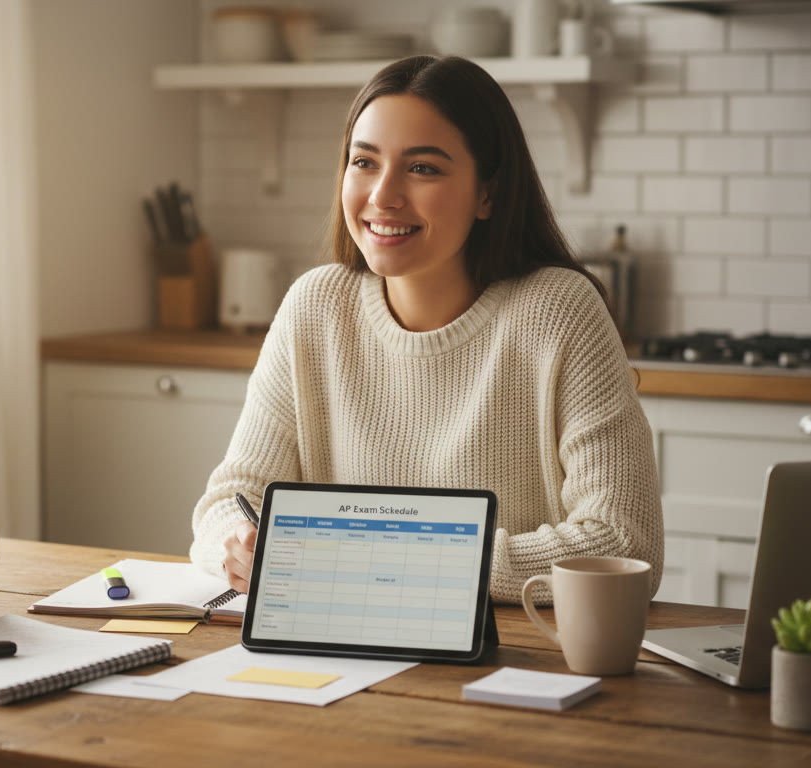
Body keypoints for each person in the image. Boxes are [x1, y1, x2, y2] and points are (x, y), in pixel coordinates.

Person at [189, 55, 662, 605]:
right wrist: (242, 545)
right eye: (364, 162)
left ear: (488, 193)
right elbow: (228, 502)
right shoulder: (314, 307)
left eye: (423, 169)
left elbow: (626, 545)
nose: (383, 195)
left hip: (515, 653)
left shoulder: (559, 311)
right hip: (340, 642)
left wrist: (375, 561)